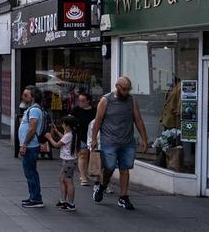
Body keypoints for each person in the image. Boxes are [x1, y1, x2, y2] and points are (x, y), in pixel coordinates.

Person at [90, 76, 149, 211]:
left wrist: (144, 139)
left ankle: (123, 197)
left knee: (124, 168)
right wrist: (93, 139)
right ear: (117, 87)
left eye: (129, 89)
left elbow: (138, 120)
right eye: (125, 89)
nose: (127, 92)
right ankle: (103, 186)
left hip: (127, 141)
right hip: (109, 141)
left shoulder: (132, 100)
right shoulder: (106, 100)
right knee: (109, 167)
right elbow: (98, 120)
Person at [18, 85, 45, 208]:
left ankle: (36, 198)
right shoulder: (31, 109)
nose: (24, 97)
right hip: (29, 146)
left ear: (33, 96)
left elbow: (32, 129)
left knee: (31, 173)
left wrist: (24, 144)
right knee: (29, 173)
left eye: (26, 95)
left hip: (30, 146)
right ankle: (33, 197)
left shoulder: (34, 110)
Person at [45, 115, 78, 211]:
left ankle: (70, 203)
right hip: (68, 161)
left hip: (68, 161)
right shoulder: (71, 134)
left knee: (68, 181)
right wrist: (57, 132)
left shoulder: (68, 135)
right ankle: (63, 200)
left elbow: (56, 145)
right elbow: (63, 138)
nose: (62, 125)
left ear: (68, 126)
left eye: (63, 124)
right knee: (62, 179)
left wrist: (49, 137)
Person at [71, 92, 96, 186]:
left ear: (88, 101)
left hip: (92, 136)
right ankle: (83, 177)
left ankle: (86, 173)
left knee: (90, 156)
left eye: (83, 101)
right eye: (79, 100)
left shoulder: (94, 111)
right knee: (82, 155)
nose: (80, 102)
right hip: (80, 135)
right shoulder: (75, 110)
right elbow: (69, 121)